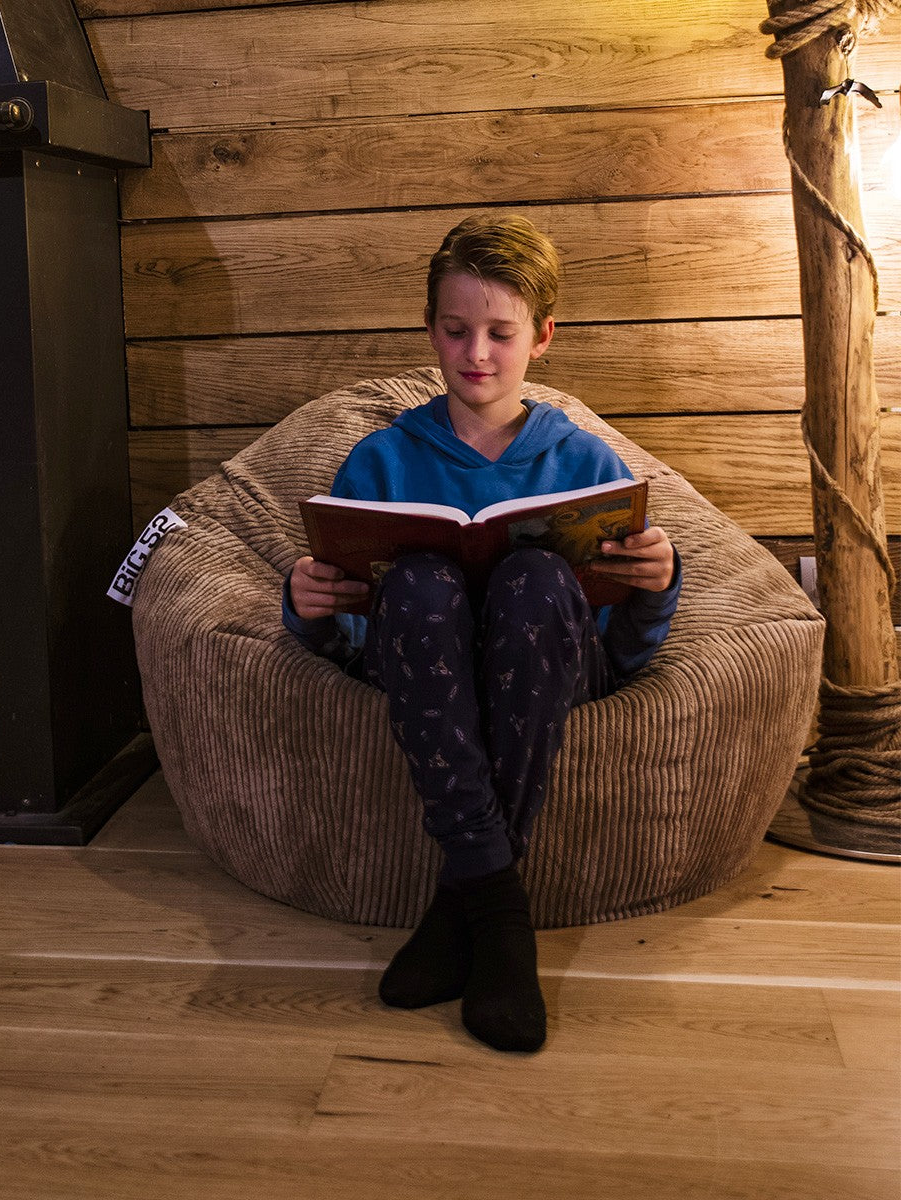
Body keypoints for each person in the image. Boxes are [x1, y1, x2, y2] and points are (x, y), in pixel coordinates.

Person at [281, 215, 682, 1053]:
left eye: (501, 333)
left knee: (534, 579)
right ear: (430, 330)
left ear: (542, 337)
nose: (477, 354)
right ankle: (499, 914)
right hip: (418, 671)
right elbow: (347, 642)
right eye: (457, 331)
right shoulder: (380, 462)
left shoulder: (588, 467)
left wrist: (657, 587)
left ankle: (463, 908)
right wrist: (306, 604)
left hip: (550, 668)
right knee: (423, 583)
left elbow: (625, 654)